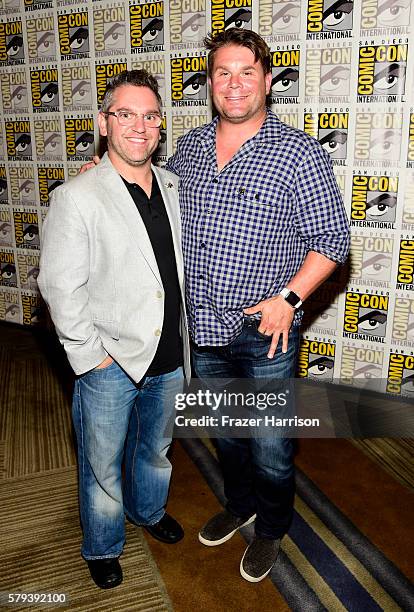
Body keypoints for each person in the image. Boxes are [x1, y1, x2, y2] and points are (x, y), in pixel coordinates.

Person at [166, 29, 350, 582]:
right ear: (210, 82)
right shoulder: (192, 146)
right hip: (204, 324)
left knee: (270, 444)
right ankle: (240, 503)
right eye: (223, 72)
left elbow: (333, 240)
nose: (234, 83)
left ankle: (271, 528)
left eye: (247, 71)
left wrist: (290, 299)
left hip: (265, 330)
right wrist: (101, 177)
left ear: (267, 80)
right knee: (226, 433)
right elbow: (155, 195)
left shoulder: (297, 151)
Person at [38, 70, 191, 589]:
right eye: (125, 114)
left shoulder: (173, 185)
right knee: (101, 465)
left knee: (156, 449)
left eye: (149, 116)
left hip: (170, 353)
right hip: (109, 363)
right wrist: (90, 355)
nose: (138, 126)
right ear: (105, 123)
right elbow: (59, 286)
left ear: (160, 125)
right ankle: (102, 545)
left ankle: (148, 512)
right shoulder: (77, 196)